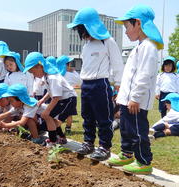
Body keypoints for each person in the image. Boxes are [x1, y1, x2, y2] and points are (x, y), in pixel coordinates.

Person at [107, 4, 164, 174]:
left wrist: (135, 98)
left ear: (138, 23)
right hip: (127, 99)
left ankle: (144, 161)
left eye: (127, 26)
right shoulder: (138, 47)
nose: (125, 31)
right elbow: (129, 76)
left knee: (138, 131)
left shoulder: (149, 47)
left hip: (135, 101)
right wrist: (121, 97)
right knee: (126, 128)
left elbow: (144, 75)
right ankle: (126, 153)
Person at [67, 7, 124, 161]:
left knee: (104, 117)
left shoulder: (108, 42)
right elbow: (86, 67)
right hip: (86, 85)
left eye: (82, 29)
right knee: (87, 116)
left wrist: (118, 85)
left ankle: (104, 147)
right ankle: (88, 143)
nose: (82, 34)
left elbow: (117, 64)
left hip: (101, 85)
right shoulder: (86, 46)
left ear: (90, 26)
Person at [23, 52, 77, 147]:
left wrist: (47, 110)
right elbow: (50, 92)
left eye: (33, 72)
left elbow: (56, 97)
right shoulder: (47, 76)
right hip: (62, 100)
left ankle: (53, 141)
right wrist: (42, 100)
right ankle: (60, 137)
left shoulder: (52, 77)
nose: (34, 75)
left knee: (48, 116)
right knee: (50, 118)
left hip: (68, 100)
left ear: (40, 66)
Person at [56, 55, 82, 134]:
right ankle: (67, 128)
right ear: (66, 65)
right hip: (70, 97)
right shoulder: (70, 74)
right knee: (68, 114)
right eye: (69, 64)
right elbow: (80, 81)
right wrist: (74, 71)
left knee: (60, 114)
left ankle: (57, 128)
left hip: (60, 98)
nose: (71, 65)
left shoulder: (57, 74)